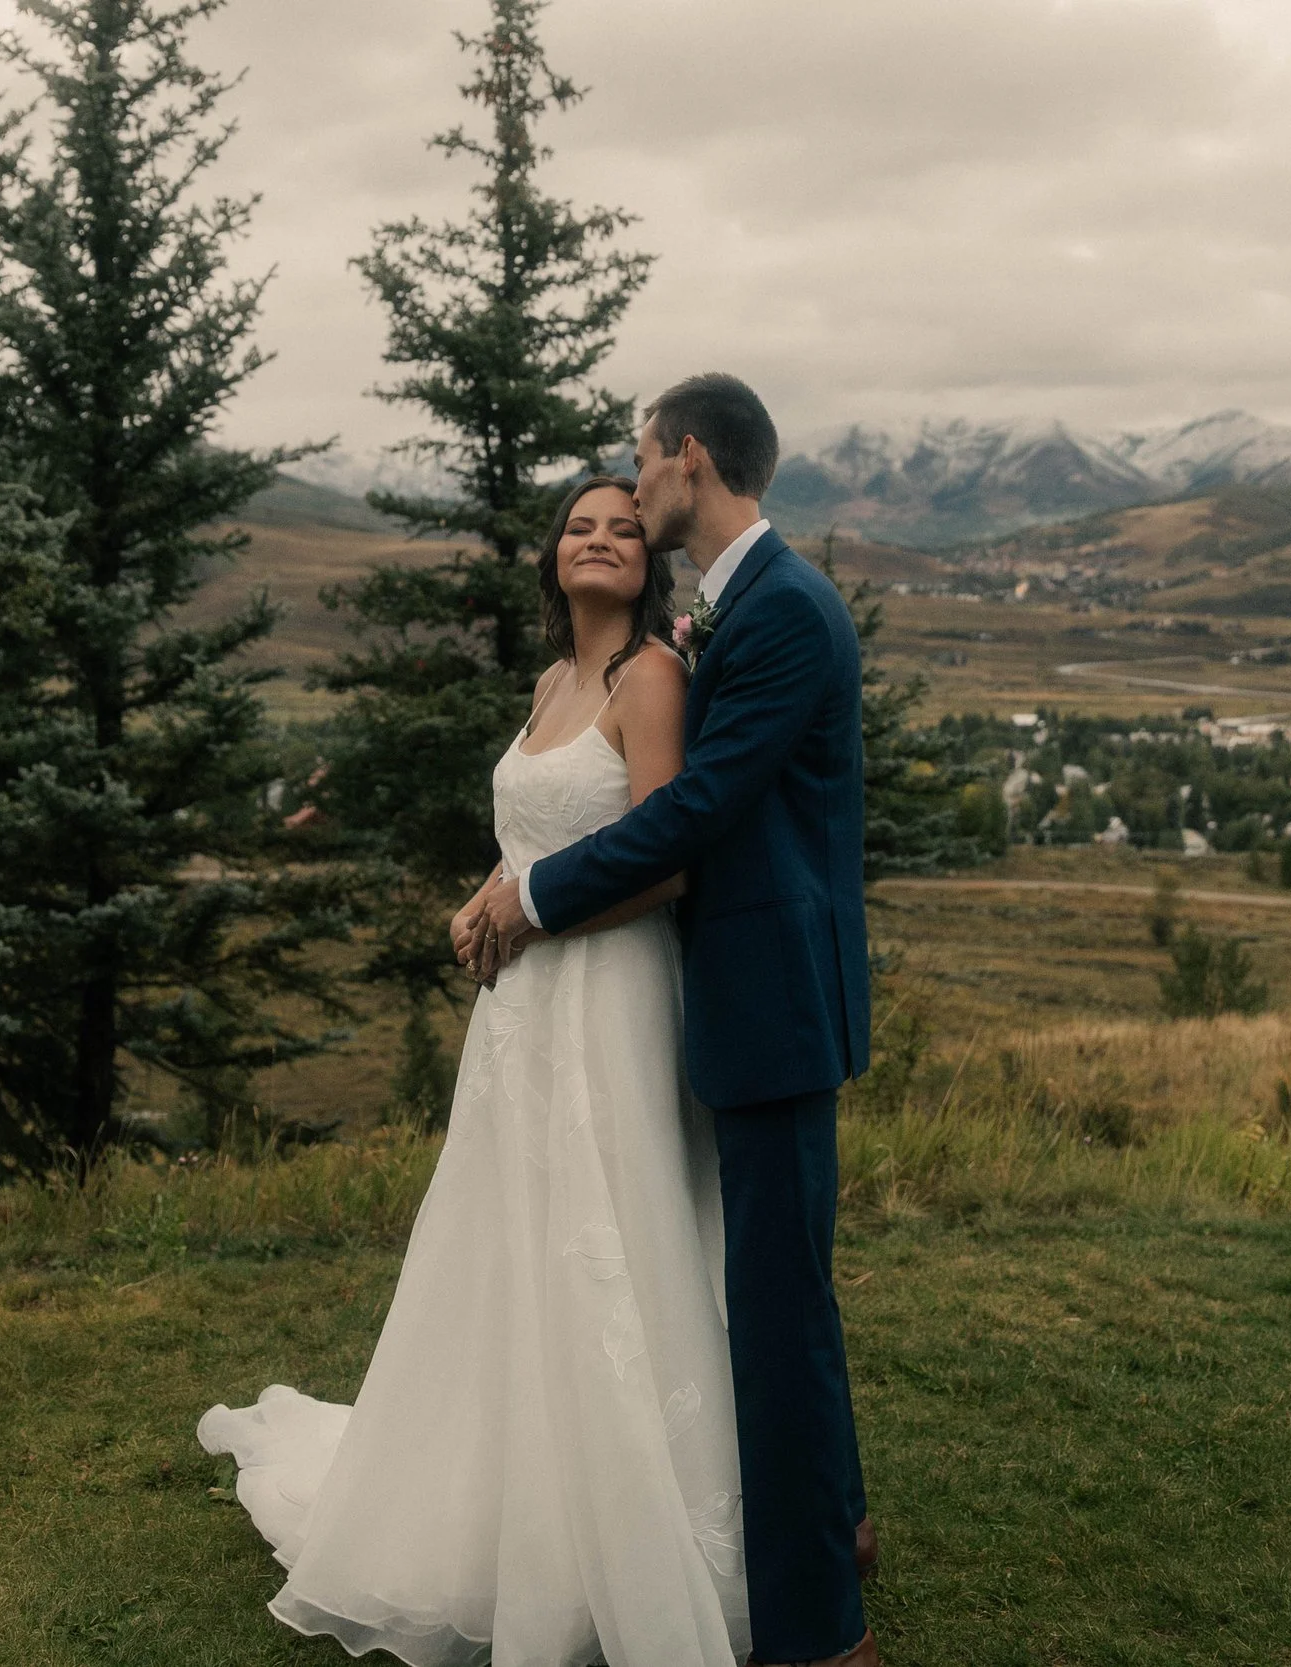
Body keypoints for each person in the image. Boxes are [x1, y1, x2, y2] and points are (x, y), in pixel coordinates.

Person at [198, 475, 752, 1667]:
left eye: (620, 526)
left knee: (605, 1234)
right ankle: (504, 1506)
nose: (598, 540)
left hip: (606, 995)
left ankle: (624, 1533)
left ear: (645, 562)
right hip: (521, 1013)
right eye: (577, 528)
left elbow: (665, 861)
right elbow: (532, 838)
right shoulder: (552, 683)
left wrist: (532, 914)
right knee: (514, 1239)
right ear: (552, 560)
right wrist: (483, 896)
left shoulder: (649, 677)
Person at [476, 374, 879, 1667]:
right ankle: (839, 1523)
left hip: (771, 999)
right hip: (744, 993)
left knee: (775, 1312)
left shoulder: (783, 614)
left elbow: (694, 811)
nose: (634, 489)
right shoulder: (739, 601)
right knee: (772, 1294)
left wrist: (531, 891)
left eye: (643, 465)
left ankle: (821, 1631)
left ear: (688, 460)